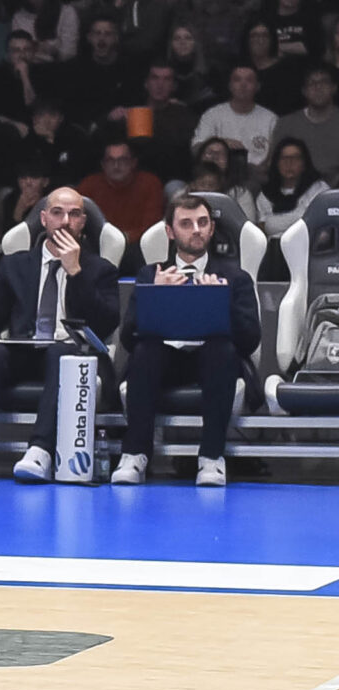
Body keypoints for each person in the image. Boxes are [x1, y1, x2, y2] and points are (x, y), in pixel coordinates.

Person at [0, 186, 121, 483]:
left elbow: (106, 324)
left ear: (83, 222)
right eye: (58, 213)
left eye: (74, 214)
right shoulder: (15, 264)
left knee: (61, 351)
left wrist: (75, 272)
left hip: (74, 356)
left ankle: (40, 451)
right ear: (44, 219)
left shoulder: (101, 269)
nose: (65, 221)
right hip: (24, 350)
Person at [113, 194, 260, 488]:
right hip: (164, 363)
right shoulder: (151, 274)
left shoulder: (235, 277)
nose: (196, 230)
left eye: (203, 223)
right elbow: (128, 338)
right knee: (145, 350)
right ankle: (135, 454)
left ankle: (211, 457)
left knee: (222, 350)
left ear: (212, 228)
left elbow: (250, 340)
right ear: (170, 231)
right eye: (186, 224)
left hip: (213, 363)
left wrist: (221, 301)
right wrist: (155, 295)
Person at [79, 137, 167, 248]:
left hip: (140, 245)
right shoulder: (89, 185)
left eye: (122, 160)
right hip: (99, 245)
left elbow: (152, 227)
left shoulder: (150, 183)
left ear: (133, 162)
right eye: (110, 160)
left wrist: (123, 239)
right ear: (103, 164)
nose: (116, 165)